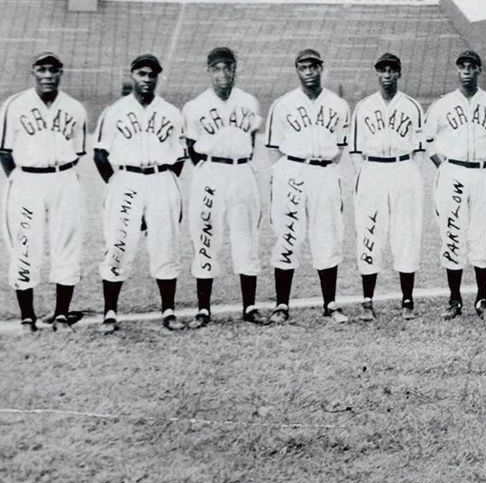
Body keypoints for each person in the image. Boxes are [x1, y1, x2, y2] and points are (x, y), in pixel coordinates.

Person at [94, 54, 187, 334]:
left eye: (152, 75)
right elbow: (99, 155)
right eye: (142, 74)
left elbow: (180, 158)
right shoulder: (115, 111)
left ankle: (169, 310)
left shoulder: (171, 111)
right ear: (132, 75)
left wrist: (165, 185)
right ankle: (110, 312)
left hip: (162, 179)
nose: (147, 79)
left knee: (165, 245)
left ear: (158, 77)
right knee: (119, 244)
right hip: (126, 179)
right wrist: (118, 184)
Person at [0, 52, 87, 332]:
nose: (48, 75)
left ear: (61, 73)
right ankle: (28, 317)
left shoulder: (75, 108)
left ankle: (61, 314)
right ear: (33, 72)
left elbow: (77, 152)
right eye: (42, 69)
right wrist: (19, 179)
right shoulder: (14, 105)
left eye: (53, 70)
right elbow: (4, 152)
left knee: (67, 245)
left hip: (64, 178)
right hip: (26, 180)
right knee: (25, 245)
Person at [264, 48, 351, 324]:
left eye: (314, 66)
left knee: (327, 235)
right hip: (292, 170)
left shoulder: (337, 104)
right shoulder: (283, 104)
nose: (309, 72)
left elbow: (340, 146)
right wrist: (287, 172)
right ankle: (281, 305)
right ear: (297, 70)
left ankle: (331, 303)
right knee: (288, 234)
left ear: (321, 68)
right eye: (304, 67)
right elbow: (273, 148)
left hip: (324, 172)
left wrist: (322, 167)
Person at [181, 47, 267, 326]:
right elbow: (192, 147)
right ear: (209, 71)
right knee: (206, 234)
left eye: (227, 67)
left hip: (242, 170)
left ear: (234, 70)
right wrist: (210, 168)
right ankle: (204, 309)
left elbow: (251, 140)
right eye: (216, 68)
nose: (223, 73)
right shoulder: (195, 106)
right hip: (211, 172)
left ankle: (250, 306)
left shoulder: (249, 102)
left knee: (247, 237)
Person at [424, 50, 486, 321]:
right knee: (453, 235)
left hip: (484, 174)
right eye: (462, 66)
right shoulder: (442, 104)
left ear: (479, 70)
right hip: (454, 173)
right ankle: (455, 298)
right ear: (457, 70)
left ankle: (482, 299)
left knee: (483, 237)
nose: (467, 71)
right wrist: (444, 165)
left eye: (472, 66)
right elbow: (428, 140)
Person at [350, 53, 426, 322]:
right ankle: (367, 299)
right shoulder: (364, 106)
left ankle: (407, 299)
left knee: (406, 233)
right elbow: (355, 150)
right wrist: (367, 175)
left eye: (392, 70)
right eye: (382, 70)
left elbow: (419, 149)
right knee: (370, 231)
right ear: (377, 74)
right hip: (373, 170)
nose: (387, 75)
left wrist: (409, 174)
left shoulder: (412, 106)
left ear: (399, 74)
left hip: (402, 168)